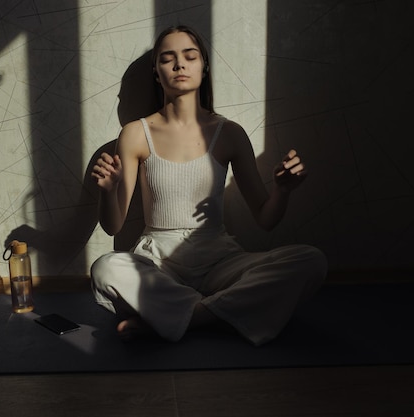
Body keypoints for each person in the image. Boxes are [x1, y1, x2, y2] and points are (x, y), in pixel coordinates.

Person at [90, 25, 327, 346]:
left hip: (221, 262)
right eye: (168, 59)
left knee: (310, 260)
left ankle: (183, 317)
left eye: (190, 56)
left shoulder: (230, 133)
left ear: (203, 67)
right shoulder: (135, 133)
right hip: (158, 263)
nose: (180, 65)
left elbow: (266, 219)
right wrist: (108, 191)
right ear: (157, 73)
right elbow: (112, 224)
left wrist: (283, 190)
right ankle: (223, 312)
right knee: (105, 267)